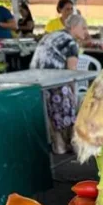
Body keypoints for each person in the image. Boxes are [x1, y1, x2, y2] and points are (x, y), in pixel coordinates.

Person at [30, 13, 89, 154]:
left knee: (53, 112)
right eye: (84, 28)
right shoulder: (70, 42)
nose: (86, 32)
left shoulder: (54, 35)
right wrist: (73, 96)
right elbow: (71, 73)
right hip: (53, 79)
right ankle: (65, 146)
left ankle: (59, 145)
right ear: (74, 27)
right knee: (67, 106)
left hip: (36, 79)